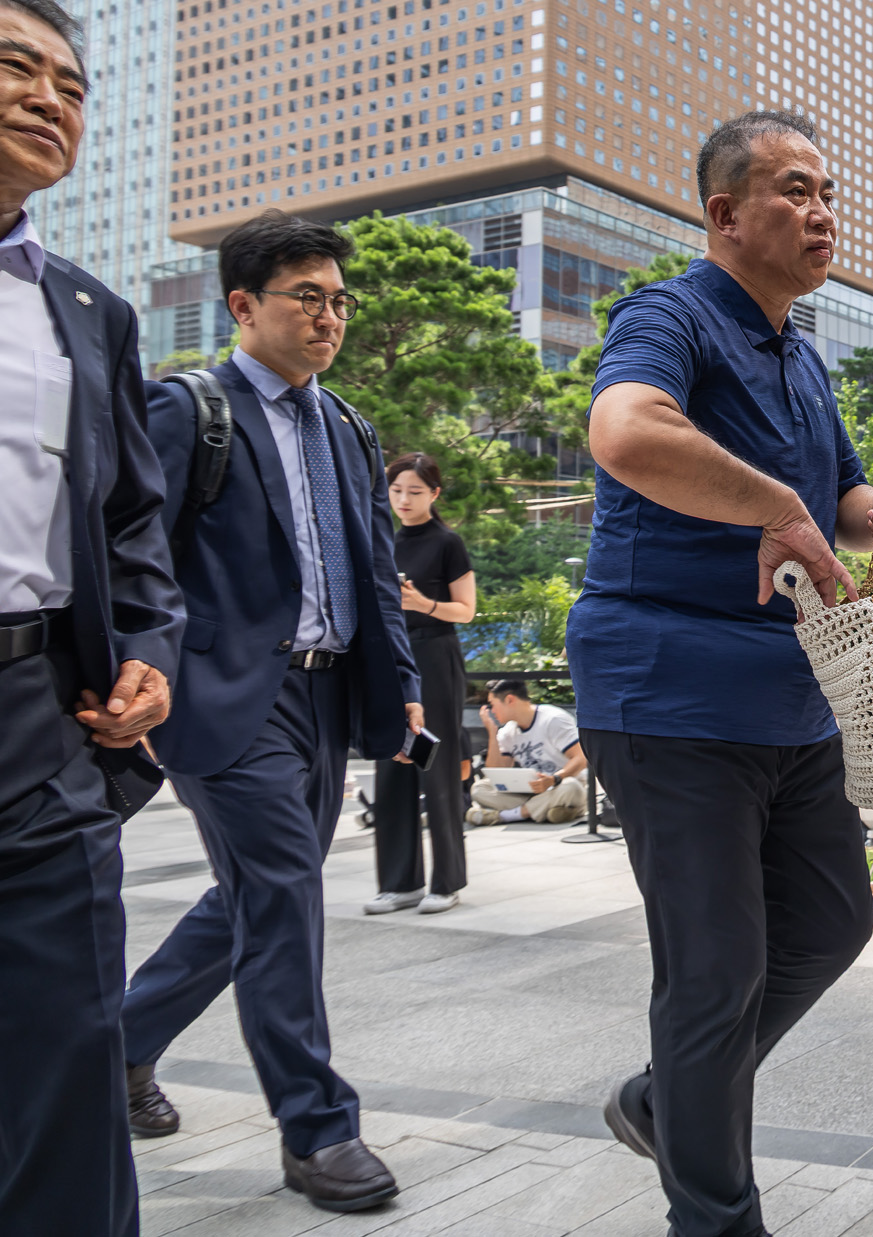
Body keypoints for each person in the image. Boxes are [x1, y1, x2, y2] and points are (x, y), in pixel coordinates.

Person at [575, 111, 873, 1237]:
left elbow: (841, 501)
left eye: (828, 190)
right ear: (724, 214)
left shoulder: (801, 354)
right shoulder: (668, 314)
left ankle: (660, 1101)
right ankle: (714, 1218)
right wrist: (775, 505)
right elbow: (627, 433)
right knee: (713, 973)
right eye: (792, 190)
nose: (822, 211)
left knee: (830, 923)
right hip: (669, 691)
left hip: (789, 694)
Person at [124, 210, 422, 1211]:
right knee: (283, 894)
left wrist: (404, 688)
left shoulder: (345, 424)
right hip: (226, 699)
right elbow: (134, 556)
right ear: (243, 304)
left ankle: (115, 1047)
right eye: (308, 296)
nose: (328, 316)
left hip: (327, 696)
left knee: (249, 897)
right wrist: (148, 668)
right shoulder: (188, 409)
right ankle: (317, 1129)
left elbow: (374, 569)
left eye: (339, 299)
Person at [0, 5, 184, 1230]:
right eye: (15, 67)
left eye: (71, 83)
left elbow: (131, 527)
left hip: (38, 717)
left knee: (65, 1055)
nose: (49, 98)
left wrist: (147, 658)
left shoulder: (87, 311)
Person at [366, 453, 476, 915]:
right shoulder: (382, 541)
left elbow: (465, 611)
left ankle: (445, 881)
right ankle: (398, 881)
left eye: (414, 491)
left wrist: (420, 602)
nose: (403, 500)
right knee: (391, 766)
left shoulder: (448, 542)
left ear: (434, 494)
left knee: (438, 763)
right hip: (392, 655)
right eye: (396, 491)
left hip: (435, 652)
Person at [467, 679, 588, 826]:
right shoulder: (507, 732)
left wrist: (553, 779)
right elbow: (495, 772)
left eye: (492, 704)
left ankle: (506, 816)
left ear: (509, 699)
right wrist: (492, 733)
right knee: (479, 788)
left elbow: (581, 758)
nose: (491, 711)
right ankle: (554, 810)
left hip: (563, 784)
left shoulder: (553, 719)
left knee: (570, 787)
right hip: (531, 792)